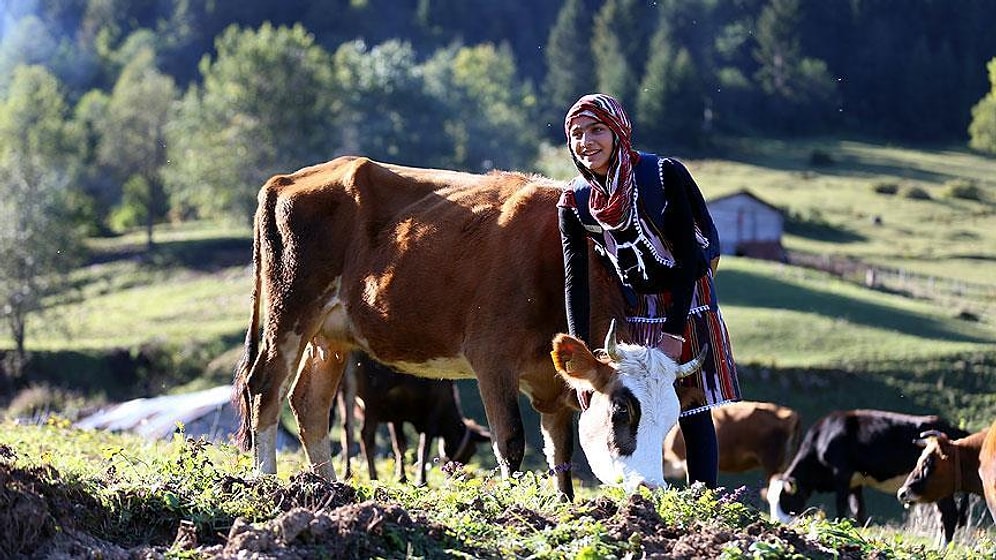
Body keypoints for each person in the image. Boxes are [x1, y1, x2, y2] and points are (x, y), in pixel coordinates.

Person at [557, 93, 741, 488]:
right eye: (576, 134)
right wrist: (587, 355)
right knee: (638, 405)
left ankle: (706, 499)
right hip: (636, 307)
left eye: (597, 130)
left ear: (619, 132)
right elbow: (576, 279)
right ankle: (641, 485)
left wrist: (674, 333)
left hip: (687, 300)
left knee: (693, 404)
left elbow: (690, 256)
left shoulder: (661, 175)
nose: (586, 142)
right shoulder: (574, 200)